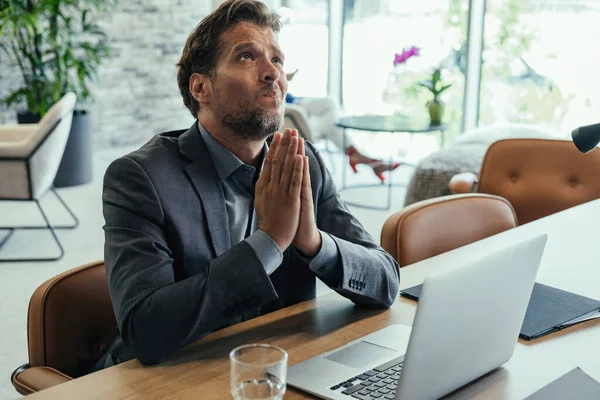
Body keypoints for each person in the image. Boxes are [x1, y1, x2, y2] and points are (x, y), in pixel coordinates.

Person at [93, 0, 400, 371]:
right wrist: (268, 243)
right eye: (246, 57)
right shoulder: (140, 178)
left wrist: (314, 243)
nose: (272, 73)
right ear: (201, 88)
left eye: (277, 60)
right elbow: (146, 330)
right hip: (168, 380)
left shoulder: (305, 164)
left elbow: (385, 280)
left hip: (273, 373)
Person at [285, 71, 400, 182]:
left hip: (295, 101)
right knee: (329, 109)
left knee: (329, 113)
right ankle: (359, 156)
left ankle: (357, 155)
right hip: (291, 105)